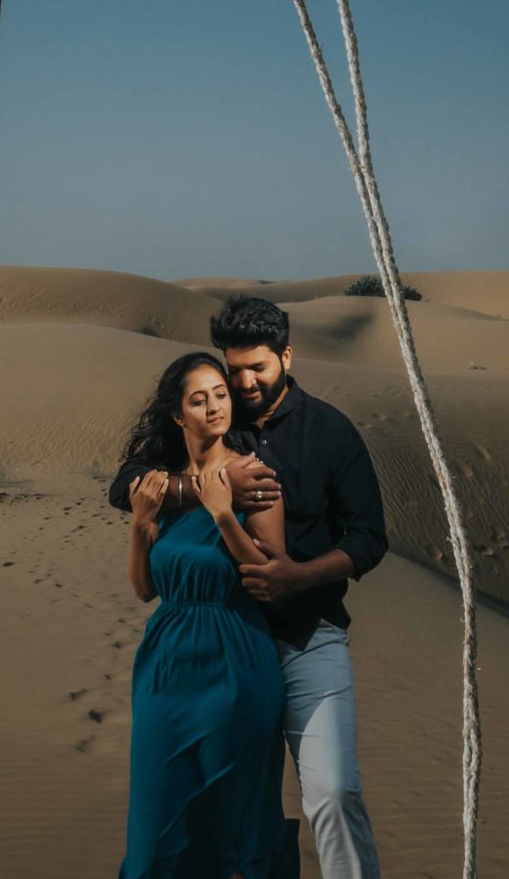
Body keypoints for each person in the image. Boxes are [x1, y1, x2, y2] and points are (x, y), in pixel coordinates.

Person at [111, 296, 387, 879]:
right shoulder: (218, 423)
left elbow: (369, 539)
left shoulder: (329, 432)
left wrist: (297, 574)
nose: (243, 383)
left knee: (333, 793)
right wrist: (208, 485)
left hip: (306, 637)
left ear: (287, 356)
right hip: (220, 645)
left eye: (256, 368)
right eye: (233, 371)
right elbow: (127, 484)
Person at [118, 350, 291, 879]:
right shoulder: (161, 487)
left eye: (221, 394)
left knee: (231, 833)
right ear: (178, 415)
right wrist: (140, 529)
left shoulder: (254, 477)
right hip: (165, 667)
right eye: (199, 399)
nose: (216, 406)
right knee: (153, 835)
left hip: (235, 661)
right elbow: (146, 590)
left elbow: (270, 577)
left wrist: (223, 514)